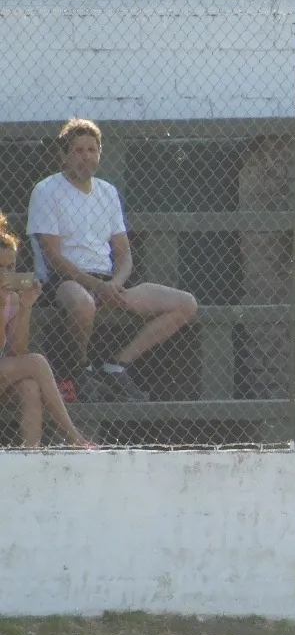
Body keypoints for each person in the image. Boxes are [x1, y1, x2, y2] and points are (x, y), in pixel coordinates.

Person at [27, 117, 198, 402]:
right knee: (83, 305)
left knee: (185, 304)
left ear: (100, 154)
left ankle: (116, 366)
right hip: (65, 281)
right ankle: (80, 370)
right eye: (78, 150)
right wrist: (96, 286)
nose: (85, 156)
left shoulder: (107, 192)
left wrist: (115, 284)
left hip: (109, 282)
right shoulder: (46, 191)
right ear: (64, 155)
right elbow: (53, 256)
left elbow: (123, 252)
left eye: (92, 149)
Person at [0, 213, 94, 448]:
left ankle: (30, 459)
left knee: (30, 388)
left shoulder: (10, 297)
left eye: (9, 266)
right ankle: (74, 437)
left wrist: (25, 306)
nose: (5, 274)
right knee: (37, 363)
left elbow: (15, 351)